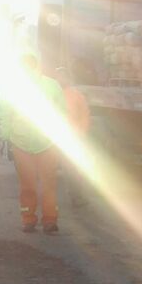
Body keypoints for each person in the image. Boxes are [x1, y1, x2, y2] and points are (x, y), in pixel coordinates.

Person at [0, 54, 67, 233]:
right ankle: (29, 219)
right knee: (30, 184)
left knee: (47, 184)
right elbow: (4, 112)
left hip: (45, 143)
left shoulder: (51, 85)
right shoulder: (12, 86)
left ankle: (49, 220)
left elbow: (61, 112)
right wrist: (6, 134)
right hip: (23, 143)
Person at [56, 66, 91, 207]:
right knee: (68, 170)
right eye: (58, 76)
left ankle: (78, 196)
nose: (60, 79)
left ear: (68, 78)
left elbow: (84, 114)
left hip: (74, 138)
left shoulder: (76, 95)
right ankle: (74, 197)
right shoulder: (53, 93)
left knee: (76, 170)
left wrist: (82, 133)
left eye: (62, 76)